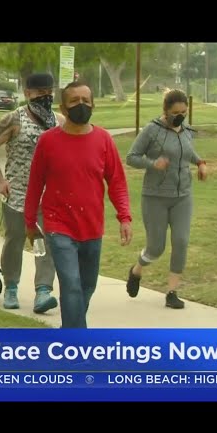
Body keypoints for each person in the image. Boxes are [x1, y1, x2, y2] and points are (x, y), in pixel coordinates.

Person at [24, 81, 133, 328]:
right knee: (71, 284)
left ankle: (69, 331)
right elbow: (35, 184)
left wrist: (124, 217)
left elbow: (117, 182)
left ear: (93, 105)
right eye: (74, 101)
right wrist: (30, 222)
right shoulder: (48, 141)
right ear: (63, 108)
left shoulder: (104, 140)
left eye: (86, 100)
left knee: (86, 285)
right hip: (58, 224)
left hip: (92, 225)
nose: (81, 105)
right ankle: (77, 341)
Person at [0, 72, 65, 313]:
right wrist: (0, 180)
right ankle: (11, 287)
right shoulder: (13, 119)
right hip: (17, 193)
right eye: (40, 92)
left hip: (48, 196)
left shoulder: (59, 121)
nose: (45, 96)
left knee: (44, 241)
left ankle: (43, 290)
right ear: (28, 93)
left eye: (49, 92)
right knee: (15, 240)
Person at [125, 88, 208, 309]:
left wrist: (200, 163)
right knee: (156, 247)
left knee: (181, 241)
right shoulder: (152, 130)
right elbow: (131, 157)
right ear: (166, 110)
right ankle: (136, 270)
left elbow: (187, 152)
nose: (180, 116)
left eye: (183, 112)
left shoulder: (186, 130)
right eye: (175, 113)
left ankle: (172, 292)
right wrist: (153, 164)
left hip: (183, 196)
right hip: (155, 196)